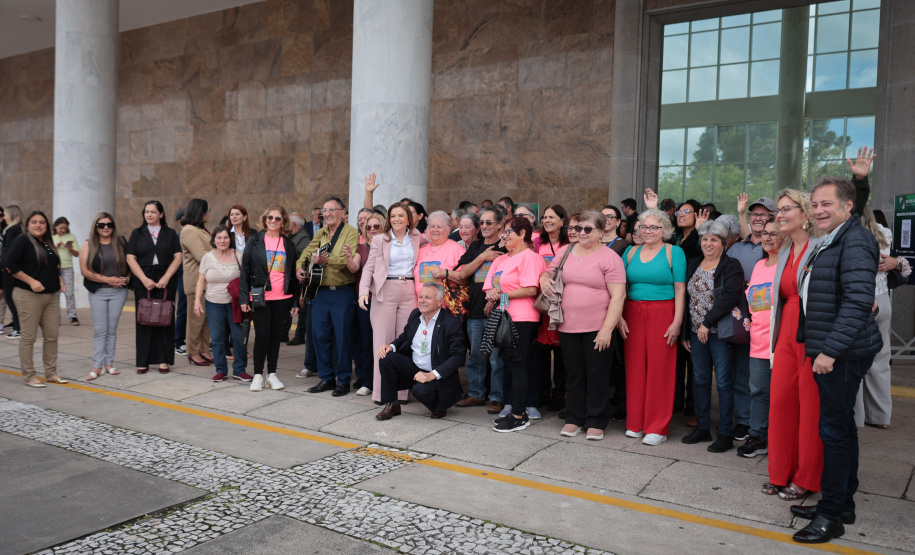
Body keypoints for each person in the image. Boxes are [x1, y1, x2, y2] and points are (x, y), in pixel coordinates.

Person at [790, 176, 882, 544]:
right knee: (841, 428)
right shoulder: (835, 238)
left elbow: (859, 301)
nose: (818, 210)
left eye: (826, 203)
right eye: (814, 204)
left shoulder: (856, 239)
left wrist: (829, 352)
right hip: (834, 348)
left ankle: (831, 518)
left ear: (848, 206)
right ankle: (840, 502)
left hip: (841, 353)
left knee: (834, 432)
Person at [540, 210, 626, 440]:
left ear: (600, 231)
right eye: (578, 228)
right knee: (574, 374)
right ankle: (574, 418)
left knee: (597, 374)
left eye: (588, 229)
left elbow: (618, 296)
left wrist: (607, 330)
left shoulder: (610, 258)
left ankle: (596, 420)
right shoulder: (566, 250)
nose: (582, 233)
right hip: (568, 325)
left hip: (598, 326)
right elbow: (548, 271)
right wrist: (544, 279)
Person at [764, 188, 823, 501]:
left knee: (811, 407)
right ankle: (780, 472)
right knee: (782, 403)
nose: (780, 214)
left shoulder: (823, 245)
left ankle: (806, 478)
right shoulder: (785, 249)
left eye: (787, 209)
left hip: (812, 332)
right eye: (779, 210)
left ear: (806, 214)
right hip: (785, 331)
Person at [618, 209, 687, 446]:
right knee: (635, 368)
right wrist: (619, 316)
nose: (647, 231)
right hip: (632, 312)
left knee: (660, 369)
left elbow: (680, 290)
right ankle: (635, 423)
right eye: (643, 227)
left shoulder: (674, 252)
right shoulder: (630, 252)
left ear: (664, 230)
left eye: (653, 227)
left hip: (663, 312)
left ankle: (657, 427)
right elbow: (621, 289)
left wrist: (677, 322)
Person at [680, 220, 745, 453]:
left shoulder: (731, 265)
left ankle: (725, 433)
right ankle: (703, 426)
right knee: (700, 380)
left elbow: (729, 297)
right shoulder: (693, 263)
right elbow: (686, 299)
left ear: (723, 243)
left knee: (725, 383)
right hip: (696, 334)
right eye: (705, 239)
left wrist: (707, 323)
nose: (708, 243)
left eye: (714, 240)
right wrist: (686, 331)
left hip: (721, 333)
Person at [484, 216, 546, 432]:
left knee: (520, 365)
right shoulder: (501, 260)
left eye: (508, 233)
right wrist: (495, 295)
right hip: (504, 318)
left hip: (523, 319)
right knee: (510, 364)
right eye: (504, 233)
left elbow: (530, 289)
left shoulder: (530, 257)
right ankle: (514, 410)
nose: (504, 237)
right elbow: (491, 288)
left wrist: (501, 294)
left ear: (522, 235)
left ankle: (520, 414)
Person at [358, 202, 425, 403]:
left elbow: (440, 242)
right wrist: (363, 292)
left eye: (401, 216)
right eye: (393, 216)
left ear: (408, 219)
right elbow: (369, 268)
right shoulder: (380, 239)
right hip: (384, 291)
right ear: (389, 219)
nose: (396, 219)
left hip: (409, 291)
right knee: (382, 342)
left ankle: (402, 393)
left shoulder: (417, 237)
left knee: (404, 342)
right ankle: (381, 393)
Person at [297, 197, 360, 396]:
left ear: (342, 212)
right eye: (325, 210)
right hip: (321, 292)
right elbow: (307, 251)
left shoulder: (351, 232)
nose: (328, 213)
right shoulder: (322, 232)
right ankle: (326, 378)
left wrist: (327, 260)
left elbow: (346, 260)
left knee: (342, 338)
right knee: (320, 336)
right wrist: (300, 265)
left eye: (332, 209)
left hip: (342, 292)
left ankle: (342, 380)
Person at [375, 282, 467, 420]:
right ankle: (392, 404)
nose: (422, 300)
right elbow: (404, 337)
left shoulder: (450, 323)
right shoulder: (415, 315)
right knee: (387, 358)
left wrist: (432, 375)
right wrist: (391, 346)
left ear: (440, 302)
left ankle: (439, 404)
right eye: (421, 296)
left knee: (420, 391)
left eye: (428, 297)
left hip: (435, 373)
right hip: (414, 368)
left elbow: (458, 357)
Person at [855, 207, 909, 429]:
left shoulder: (849, 234)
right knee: (880, 359)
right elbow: (901, 266)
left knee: (854, 360)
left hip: (858, 300)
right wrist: (896, 262)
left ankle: (856, 418)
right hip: (882, 298)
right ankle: (879, 416)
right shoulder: (884, 233)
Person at [729, 194, 776, 442]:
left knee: (764, 380)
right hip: (740, 317)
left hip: (768, 321)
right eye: (754, 214)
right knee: (741, 373)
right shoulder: (737, 247)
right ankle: (745, 421)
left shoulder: (776, 248)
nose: (758, 219)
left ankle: (766, 425)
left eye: (764, 214)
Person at [453, 206, 507, 412]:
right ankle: (476, 393)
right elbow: (464, 273)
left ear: (500, 224)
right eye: (482, 223)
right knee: (475, 355)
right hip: (474, 311)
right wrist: (483, 257)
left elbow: (511, 280)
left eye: (489, 222)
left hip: (499, 310)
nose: (484, 226)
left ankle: (497, 397)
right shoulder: (475, 247)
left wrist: (497, 300)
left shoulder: (507, 247)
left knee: (496, 358)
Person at [240, 206, 299, 392]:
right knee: (262, 335)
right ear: (265, 219)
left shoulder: (288, 244)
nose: (273, 221)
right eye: (270, 217)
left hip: (283, 297)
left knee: (275, 337)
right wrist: (243, 299)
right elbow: (245, 272)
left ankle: (272, 373)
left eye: (278, 218)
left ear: (283, 222)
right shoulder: (255, 240)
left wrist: (295, 301)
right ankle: (258, 374)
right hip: (260, 297)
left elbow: (293, 274)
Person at [6, 211, 67, 387]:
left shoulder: (47, 242)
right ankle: (30, 375)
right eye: (34, 222)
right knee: (28, 337)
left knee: (52, 336)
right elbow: (8, 263)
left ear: (47, 226)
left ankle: (51, 373)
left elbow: (51, 266)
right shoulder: (22, 240)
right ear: (27, 225)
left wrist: (60, 279)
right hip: (28, 295)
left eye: (42, 222)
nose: (38, 225)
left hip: (50, 296)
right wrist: (31, 281)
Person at [737, 218, 782, 458]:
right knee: (758, 391)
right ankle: (757, 436)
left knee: (782, 395)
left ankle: (781, 437)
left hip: (781, 341)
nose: (767, 237)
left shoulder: (787, 265)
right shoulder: (758, 266)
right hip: (758, 340)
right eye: (765, 233)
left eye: (774, 233)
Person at [126, 201, 183, 374]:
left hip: (166, 280)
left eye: (153, 212)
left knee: (164, 319)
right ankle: (142, 361)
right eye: (146, 212)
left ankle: (163, 360)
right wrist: (143, 279)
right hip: (143, 280)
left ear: (161, 214)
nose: (149, 214)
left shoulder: (170, 233)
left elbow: (178, 257)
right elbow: (130, 258)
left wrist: (166, 277)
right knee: (144, 318)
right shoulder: (137, 233)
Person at [194, 225, 252, 383]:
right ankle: (221, 370)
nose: (222, 240)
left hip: (236, 304)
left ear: (230, 239)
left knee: (239, 337)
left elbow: (247, 279)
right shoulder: (207, 257)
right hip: (213, 303)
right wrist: (197, 301)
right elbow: (201, 281)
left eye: (225, 237)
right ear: (213, 240)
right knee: (218, 338)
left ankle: (240, 370)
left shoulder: (239, 255)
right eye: (219, 238)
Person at [80, 213, 130, 381]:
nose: (106, 227)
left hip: (119, 292)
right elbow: (85, 271)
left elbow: (131, 263)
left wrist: (127, 278)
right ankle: (97, 366)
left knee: (111, 329)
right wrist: (107, 280)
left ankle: (109, 363)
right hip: (98, 292)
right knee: (100, 330)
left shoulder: (121, 242)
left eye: (109, 224)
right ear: (96, 227)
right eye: (101, 225)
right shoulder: (89, 245)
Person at [345, 211, 387, 395]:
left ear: (383, 227)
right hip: (365, 301)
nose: (372, 230)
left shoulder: (391, 245)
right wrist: (347, 256)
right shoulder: (361, 248)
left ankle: (386, 379)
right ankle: (366, 380)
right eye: (368, 227)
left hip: (386, 299)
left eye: (376, 226)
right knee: (365, 340)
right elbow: (354, 267)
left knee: (385, 341)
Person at [534, 204, 570, 415]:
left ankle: (560, 393)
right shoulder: (537, 242)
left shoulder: (569, 244)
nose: (547, 220)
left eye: (552, 217)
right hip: (541, 304)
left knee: (561, 351)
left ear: (562, 220)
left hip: (561, 304)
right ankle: (543, 391)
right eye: (545, 217)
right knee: (541, 350)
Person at [180, 199, 214, 367]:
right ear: (201, 212)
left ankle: (204, 348)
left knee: (206, 319)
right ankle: (193, 351)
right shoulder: (189, 230)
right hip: (196, 281)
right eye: (208, 211)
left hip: (208, 281)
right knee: (196, 319)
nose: (209, 214)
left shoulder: (199, 229)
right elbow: (202, 256)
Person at [413, 211, 466, 308]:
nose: (435, 230)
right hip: (420, 306)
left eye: (439, 227)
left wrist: (445, 273)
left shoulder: (456, 249)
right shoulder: (420, 250)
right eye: (432, 226)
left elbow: (465, 278)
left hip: (447, 308)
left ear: (448, 229)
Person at [52, 217, 80, 325]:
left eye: (65, 228)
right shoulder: (50, 236)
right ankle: (55, 318)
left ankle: (72, 316)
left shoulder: (71, 237)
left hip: (67, 267)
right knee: (55, 294)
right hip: (53, 268)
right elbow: (45, 251)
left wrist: (70, 249)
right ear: (55, 226)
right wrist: (56, 247)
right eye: (61, 228)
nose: (63, 230)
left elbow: (77, 254)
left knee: (69, 293)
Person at [1, 205, 24, 338]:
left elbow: (9, 251)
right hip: (11, 268)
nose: (4, 217)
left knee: (11, 298)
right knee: (12, 298)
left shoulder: (12, 230)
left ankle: (18, 328)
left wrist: (4, 264)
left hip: (9, 270)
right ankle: (16, 324)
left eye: (5, 214)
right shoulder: (16, 229)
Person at [173, 208, 188, 356]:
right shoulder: (179, 237)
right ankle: (178, 342)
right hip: (182, 276)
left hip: (190, 276)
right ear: (180, 222)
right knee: (182, 310)